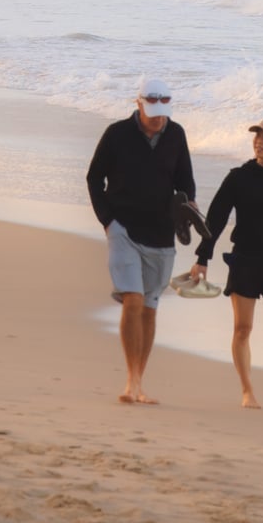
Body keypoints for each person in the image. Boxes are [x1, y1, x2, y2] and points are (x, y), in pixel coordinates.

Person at [86, 75, 195, 406]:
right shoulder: (117, 134)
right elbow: (94, 177)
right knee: (132, 299)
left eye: (163, 108)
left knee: (149, 309)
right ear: (138, 104)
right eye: (152, 108)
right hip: (124, 231)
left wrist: (186, 209)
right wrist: (108, 221)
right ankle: (130, 380)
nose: (159, 115)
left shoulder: (175, 135)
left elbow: (186, 183)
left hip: (162, 235)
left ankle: (140, 380)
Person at [188, 115, 263, 412]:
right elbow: (214, 220)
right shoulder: (238, 177)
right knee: (242, 329)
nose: (259, 141)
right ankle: (247, 392)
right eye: (257, 135)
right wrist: (202, 258)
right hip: (245, 262)